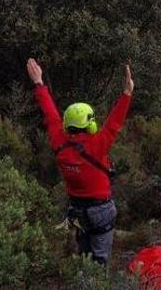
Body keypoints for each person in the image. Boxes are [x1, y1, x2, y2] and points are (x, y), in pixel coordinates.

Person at [26, 57, 134, 265]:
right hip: (101, 210)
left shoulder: (59, 143)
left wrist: (39, 83)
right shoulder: (98, 144)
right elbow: (114, 122)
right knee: (100, 261)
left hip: (78, 210)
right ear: (90, 124)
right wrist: (127, 93)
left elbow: (50, 115)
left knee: (84, 258)